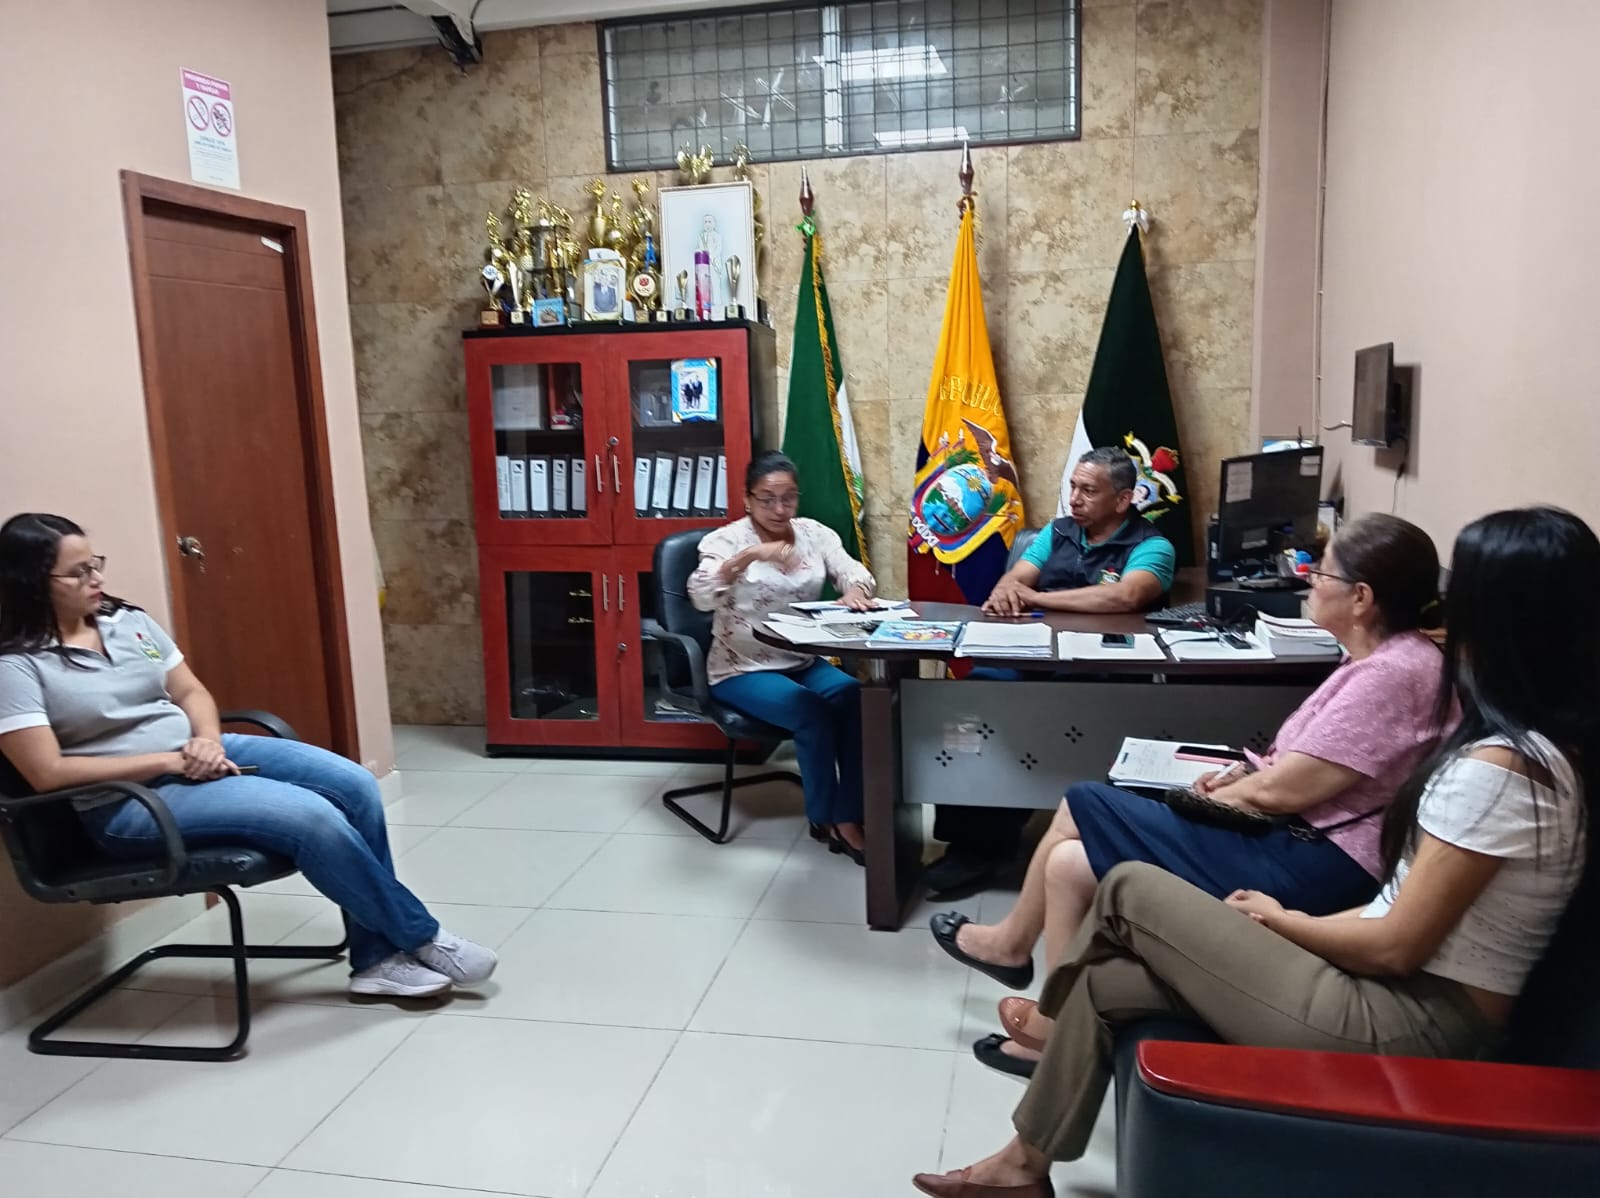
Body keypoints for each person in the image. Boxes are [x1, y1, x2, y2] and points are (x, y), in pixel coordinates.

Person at [911, 506, 1596, 1197]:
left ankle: (1033, 1005)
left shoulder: (1503, 772)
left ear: (1499, 619)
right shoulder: (1519, 748)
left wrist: (1279, 922)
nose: (1442, 620)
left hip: (1413, 1021)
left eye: (1459, 600)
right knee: (1101, 979)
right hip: (1394, 988)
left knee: (1125, 888)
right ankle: (1021, 1169)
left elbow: (1396, 946)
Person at [931, 512, 1453, 1075]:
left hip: (1313, 862)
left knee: (1087, 799)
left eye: (1320, 573)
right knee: (1069, 863)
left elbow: (1283, 792)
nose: (1308, 582)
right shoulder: (1380, 659)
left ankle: (1013, 948)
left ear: (1362, 598)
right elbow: (1308, 766)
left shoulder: (1395, 673)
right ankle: (1055, 1033)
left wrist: (1207, 799)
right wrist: (1239, 773)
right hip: (1297, 837)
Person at [0, 513, 497, 1001]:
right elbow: (47, 772)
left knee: (354, 785)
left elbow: (191, 691)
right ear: (30, 583)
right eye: (77, 573)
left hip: (192, 753)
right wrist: (167, 763)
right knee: (311, 816)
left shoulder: (125, 620)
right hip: (126, 803)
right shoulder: (16, 665)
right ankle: (423, 938)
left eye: (95, 564)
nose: (97, 579)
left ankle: (376, 961)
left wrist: (207, 741)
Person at [926, 446, 1177, 900]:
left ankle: (1025, 838)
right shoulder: (1056, 532)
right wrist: (1008, 590)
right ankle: (972, 846)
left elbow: (1125, 597)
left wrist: (1037, 598)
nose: (1074, 499)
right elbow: (1014, 578)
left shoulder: (1152, 545)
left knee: (1047, 711)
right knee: (971, 701)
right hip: (1032, 656)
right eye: (1073, 487)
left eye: (1089, 491)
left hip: (1102, 670)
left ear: (1123, 499)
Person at [687, 452, 874, 861]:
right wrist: (750, 556)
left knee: (858, 700)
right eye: (767, 499)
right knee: (811, 711)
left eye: (788, 498)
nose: (779, 509)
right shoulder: (725, 541)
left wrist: (855, 591)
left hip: (802, 661)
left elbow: (854, 571)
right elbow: (700, 595)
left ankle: (849, 811)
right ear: (747, 499)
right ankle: (828, 819)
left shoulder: (813, 533)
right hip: (742, 667)